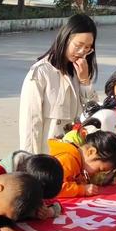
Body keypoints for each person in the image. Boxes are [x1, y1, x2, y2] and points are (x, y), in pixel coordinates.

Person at [19, 14, 98, 154]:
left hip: (74, 157)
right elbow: (30, 124)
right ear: (65, 38)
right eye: (78, 45)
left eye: (87, 48)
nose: (82, 52)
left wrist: (85, 82)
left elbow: (93, 116)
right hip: (48, 158)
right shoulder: (41, 73)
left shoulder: (80, 72)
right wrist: (30, 161)